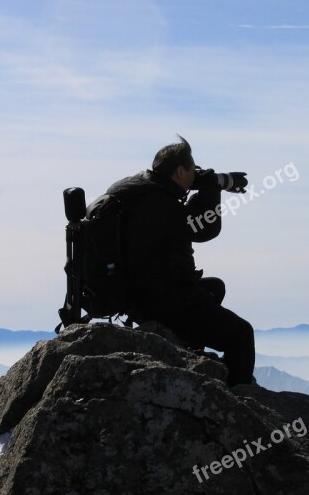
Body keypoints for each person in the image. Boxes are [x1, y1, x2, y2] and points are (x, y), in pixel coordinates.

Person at [105, 136, 255, 386]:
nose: (195, 176)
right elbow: (205, 229)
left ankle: (187, 349)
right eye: (192, 171)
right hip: (166, 300)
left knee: (214, 287)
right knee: (241, 334)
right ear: (180, 171)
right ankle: (237, 402)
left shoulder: (137, 193)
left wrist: (206, 184)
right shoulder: (160, 204)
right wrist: (210, 187)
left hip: (138, 296)